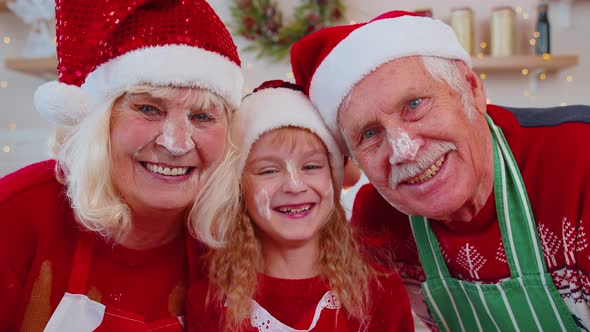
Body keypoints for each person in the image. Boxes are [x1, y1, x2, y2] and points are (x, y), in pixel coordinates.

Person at [290, 10, 590, 331]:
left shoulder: (579, 159)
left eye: (415, 104)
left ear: (471, 89)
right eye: (369, 134)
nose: (403, 150)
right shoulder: (376, 222)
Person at [0, 0, 244, 330]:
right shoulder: (16, 213)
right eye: (148, 109)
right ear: (100, 122)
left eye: (202, 116)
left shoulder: (230, 239)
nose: (176, 143)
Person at [185, 80, 414, 331]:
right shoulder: (210, 302)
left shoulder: (381, 293)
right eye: (269, 170)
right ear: (240, 188)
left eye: (311, 167)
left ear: (333, 177)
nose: (294, 185)